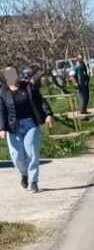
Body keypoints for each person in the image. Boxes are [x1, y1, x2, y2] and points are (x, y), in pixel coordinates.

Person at [1, 65, 54, 193]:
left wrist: (48, 114)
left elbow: (41, 101)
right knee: (16, 156)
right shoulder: (3, 92)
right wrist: (2, 128)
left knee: (31, 153)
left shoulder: (28, 87)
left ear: (18, 74)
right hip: (13, 126)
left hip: (31, 124)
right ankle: (24, 174)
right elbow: (1, 111)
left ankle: (33, 181)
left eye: (13, 73)